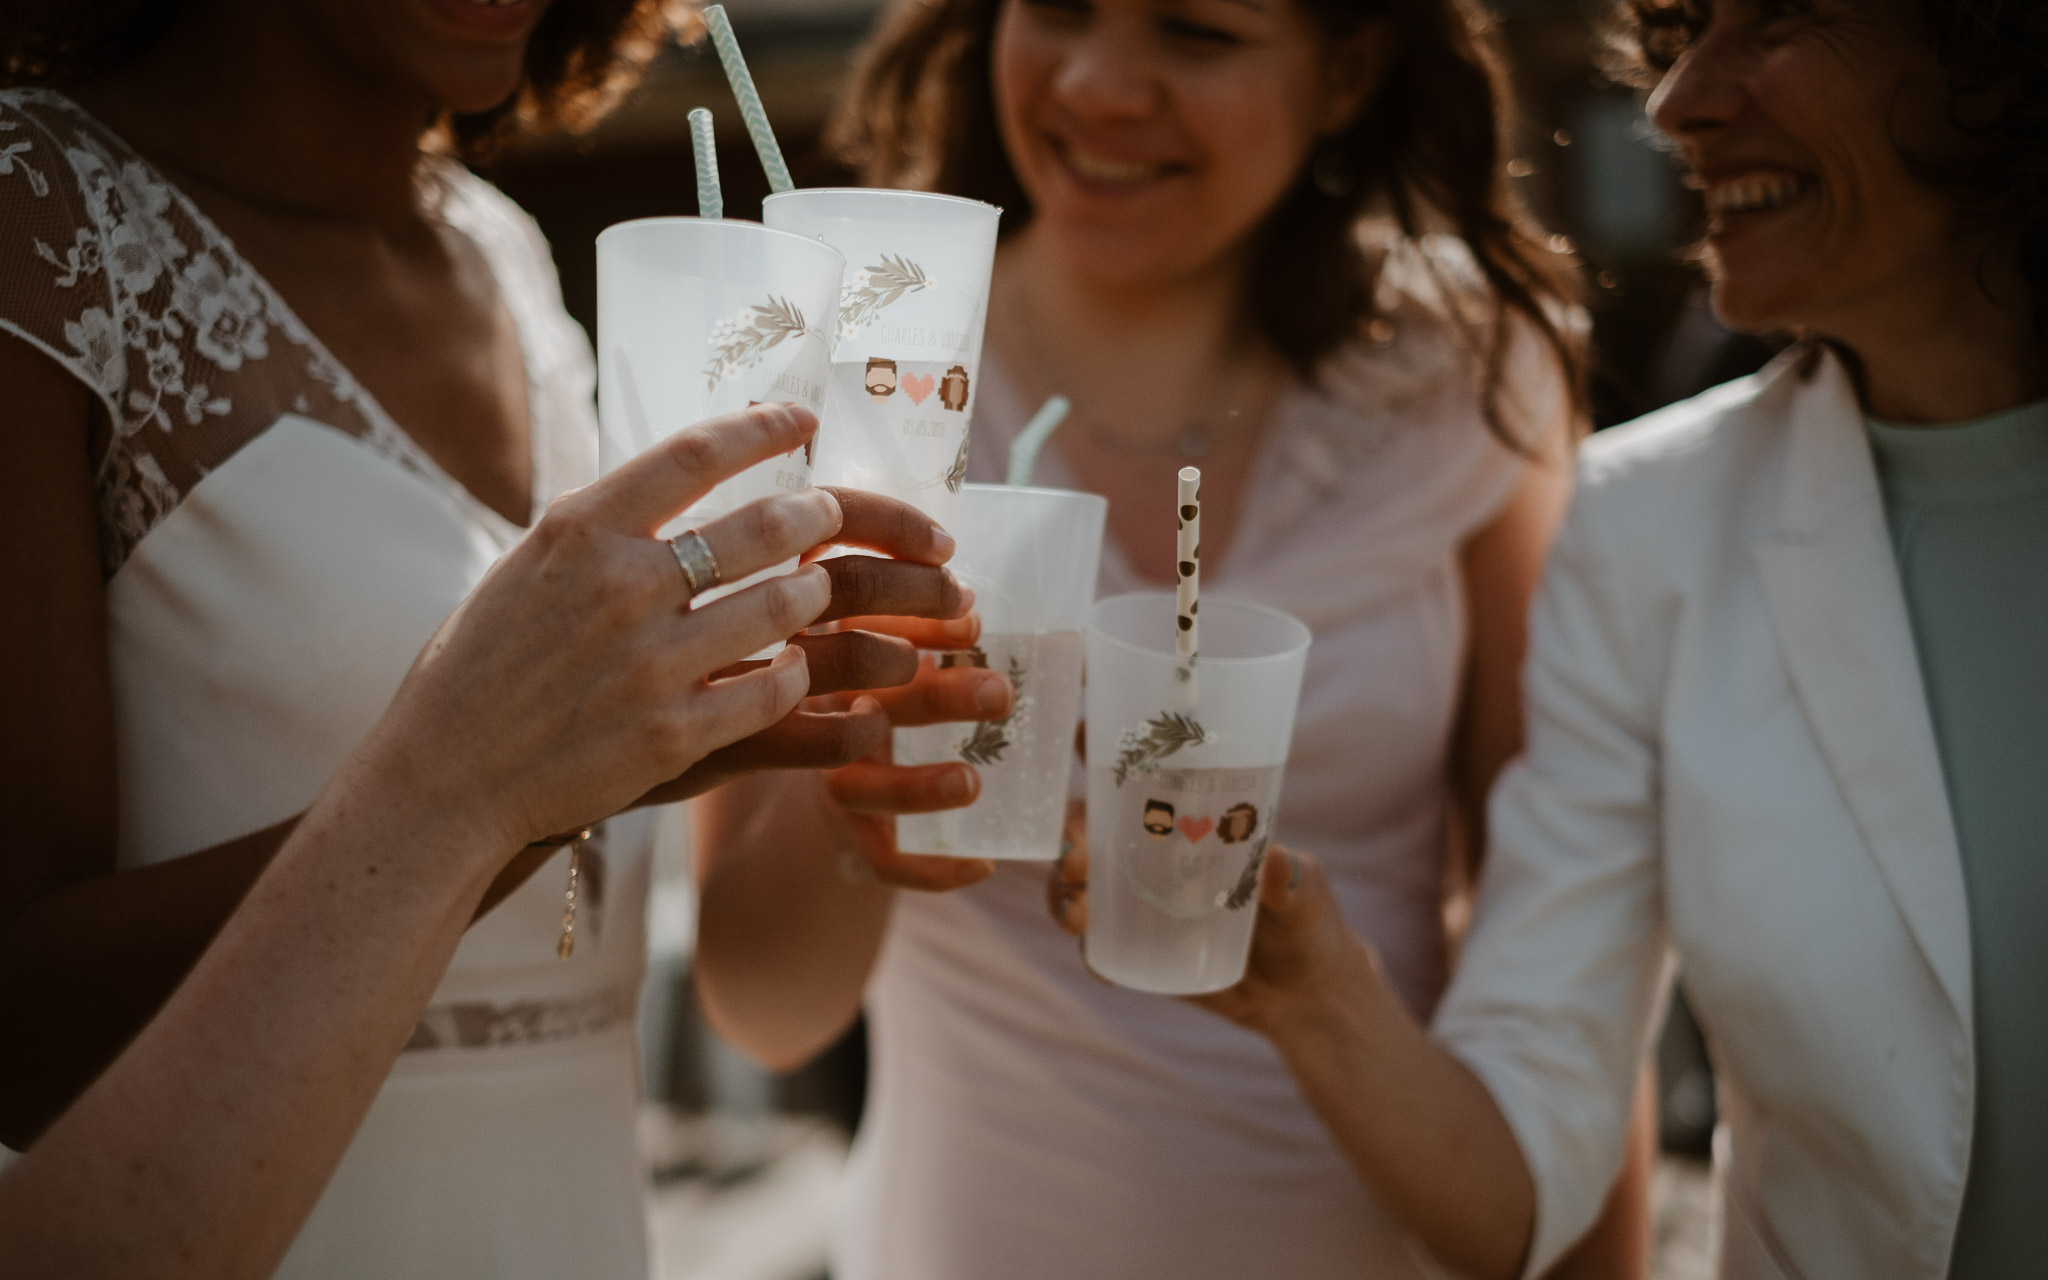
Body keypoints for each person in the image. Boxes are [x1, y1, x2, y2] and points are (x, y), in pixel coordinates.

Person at [0, 2, 990, 1275]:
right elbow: (16, 1035)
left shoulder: (504, 252)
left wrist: (817, 787)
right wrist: (486, 796)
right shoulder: (37, 227)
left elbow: (713, 957)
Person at [1077, 0, 2047, 1275]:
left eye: (1778, 21)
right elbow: (1519, 1183)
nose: (1676, 100)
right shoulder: (1649, 526)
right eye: (1688, 29)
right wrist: (1308, 988)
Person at [692, 0, 1655, 1274]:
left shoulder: (1463, 376)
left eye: (1195, 31)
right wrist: (849, 809)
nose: (1099, 83)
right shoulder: (860, 395)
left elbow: (1568, 990)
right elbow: (762, 1014)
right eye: (1061, 8)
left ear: (1347, 66)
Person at [0, 405, 895, 1280]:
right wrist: (489, 793)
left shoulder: (527, 277)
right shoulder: (50, 283)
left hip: (581, 1217)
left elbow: (761, 1000)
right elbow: (25, 1040)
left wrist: (838, 783)